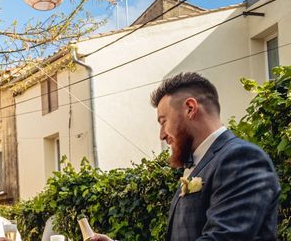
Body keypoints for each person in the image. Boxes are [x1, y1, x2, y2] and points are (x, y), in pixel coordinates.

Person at [91, 71, 280, 241]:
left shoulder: (242, 158)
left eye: (163, 121)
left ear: (190, 108)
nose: (162, 135)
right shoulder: (200, 164)